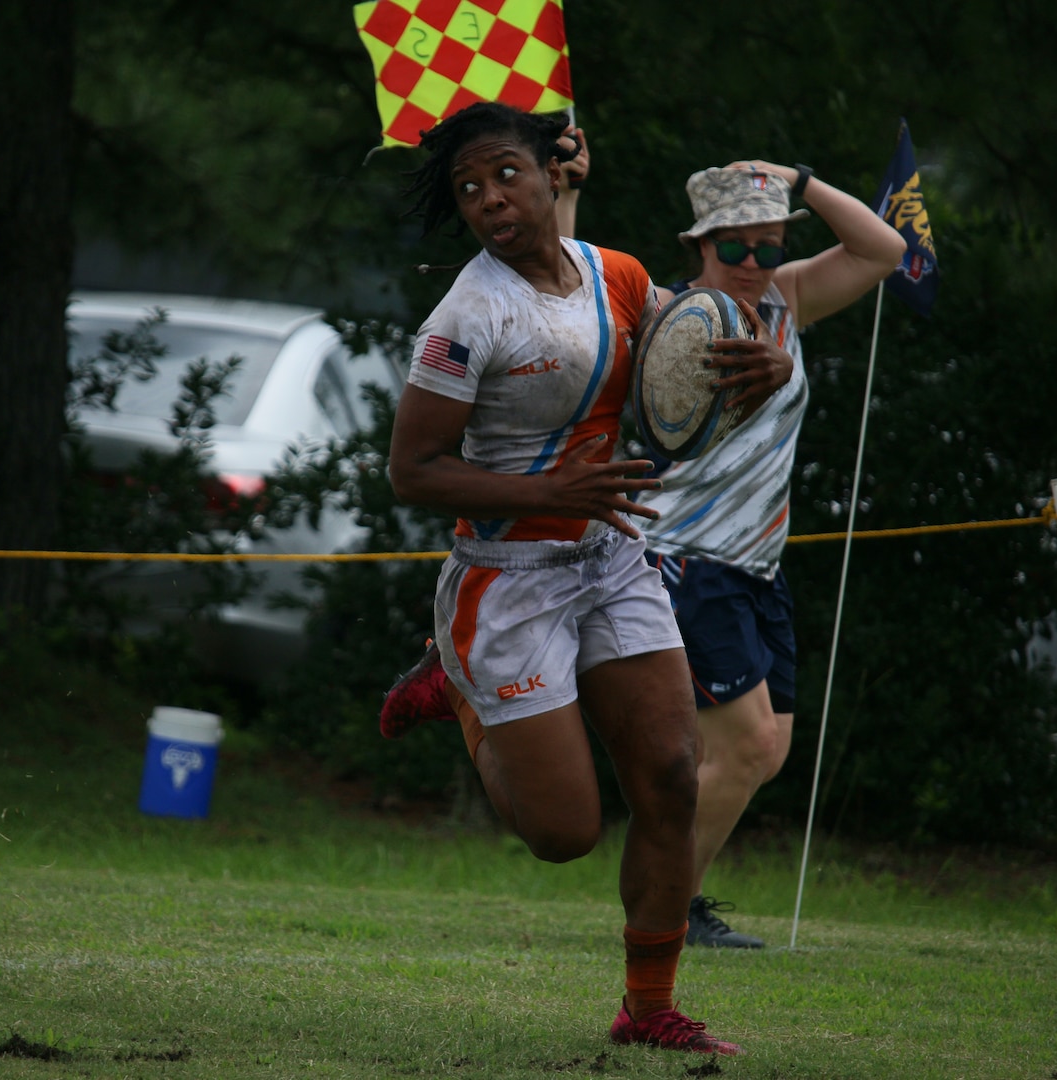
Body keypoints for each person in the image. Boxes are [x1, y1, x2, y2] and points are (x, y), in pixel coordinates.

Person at [384, 154, 905, 950]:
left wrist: (797, 184)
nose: (757, 264)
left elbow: (884, 253)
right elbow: (561, 332)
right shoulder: (671, 316)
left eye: (770, 248)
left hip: (745, 564)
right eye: (739, 248)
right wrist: (567, 194)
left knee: (741, 756)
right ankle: (676, 901)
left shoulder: (783, 307)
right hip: (674, 550)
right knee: (678, 778)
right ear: (702, 245)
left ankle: (655, 992)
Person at [388, 101, 740, 1056]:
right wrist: (551, 486)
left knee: (671, 776)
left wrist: (762, 365)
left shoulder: (615, 274)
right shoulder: (467, 314)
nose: (490, 199)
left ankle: (649, 1008)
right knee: (563, 834)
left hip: (611, 554)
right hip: (508, 577)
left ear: (554, 174)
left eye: (506, 174)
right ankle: (452, 679)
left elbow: (688, 366)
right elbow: (412, 470)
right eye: (469, 189)